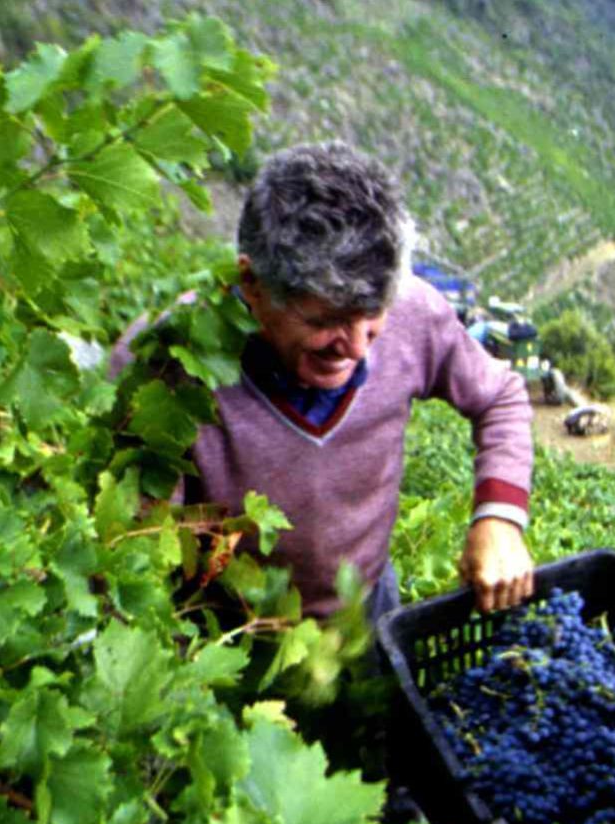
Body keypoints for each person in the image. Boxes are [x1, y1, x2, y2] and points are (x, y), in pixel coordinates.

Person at [131, 141, 537, 622]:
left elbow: (500, 396)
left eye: (372, 317)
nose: (359, 348)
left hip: (367, 609)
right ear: (252, 284)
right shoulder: (169, 361)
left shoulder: (414, 311)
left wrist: (499, 516)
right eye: (326, 320)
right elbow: (140, 552)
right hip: (227, 632)